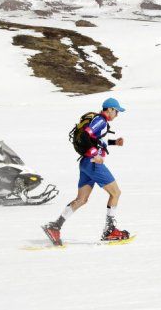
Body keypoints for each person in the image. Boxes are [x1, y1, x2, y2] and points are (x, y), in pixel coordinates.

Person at [42, 98, 129, 245]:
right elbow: (84, 136)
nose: (117, 114)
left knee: (82, 199)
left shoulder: (100, 122)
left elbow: (97, 139)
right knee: (116, 193)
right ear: (109, 109)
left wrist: (115, 142)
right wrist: (95, 154)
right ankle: (110, 231)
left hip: (85, 163)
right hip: (93, 163)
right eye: (116, 111)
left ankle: (55, 226)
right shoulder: (101, 120)